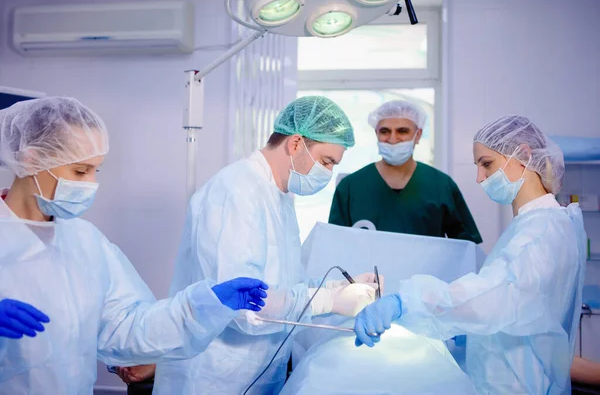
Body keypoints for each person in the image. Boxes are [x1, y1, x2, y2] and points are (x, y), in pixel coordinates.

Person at [0, 97, 270, 394]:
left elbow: (127, 327)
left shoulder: (85, 241)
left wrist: (204, 305)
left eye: (96, 171)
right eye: (80, 171)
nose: (90, 183)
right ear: (30, 159)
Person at [153, 96, 379, 395]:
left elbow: (285, 285)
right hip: (212, 377)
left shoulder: (279, 196)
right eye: (326, 162)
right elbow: (243, 307)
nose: (328, 173)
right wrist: (325, 300)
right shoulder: (235, 191)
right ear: (296, 143)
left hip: (256, 374)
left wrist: (337, 288)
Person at [353, 115, 587, 394]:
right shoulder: (536, 223)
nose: (479, 177)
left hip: (517, 385)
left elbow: (492, 296)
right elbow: (520, 306)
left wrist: (407, 302)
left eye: (487, 164)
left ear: (523, 155)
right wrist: (470, 329)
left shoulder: (539, 231)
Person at [329, 100, 482, 243]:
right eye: (385, 131)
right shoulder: (350, 187)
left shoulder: (441, 185)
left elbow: (467, 246)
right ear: (376, 134)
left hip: (428, 272)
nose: (393, 139)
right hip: (367, 272)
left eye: (402, 131)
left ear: (418, 135)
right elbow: (336, 243)